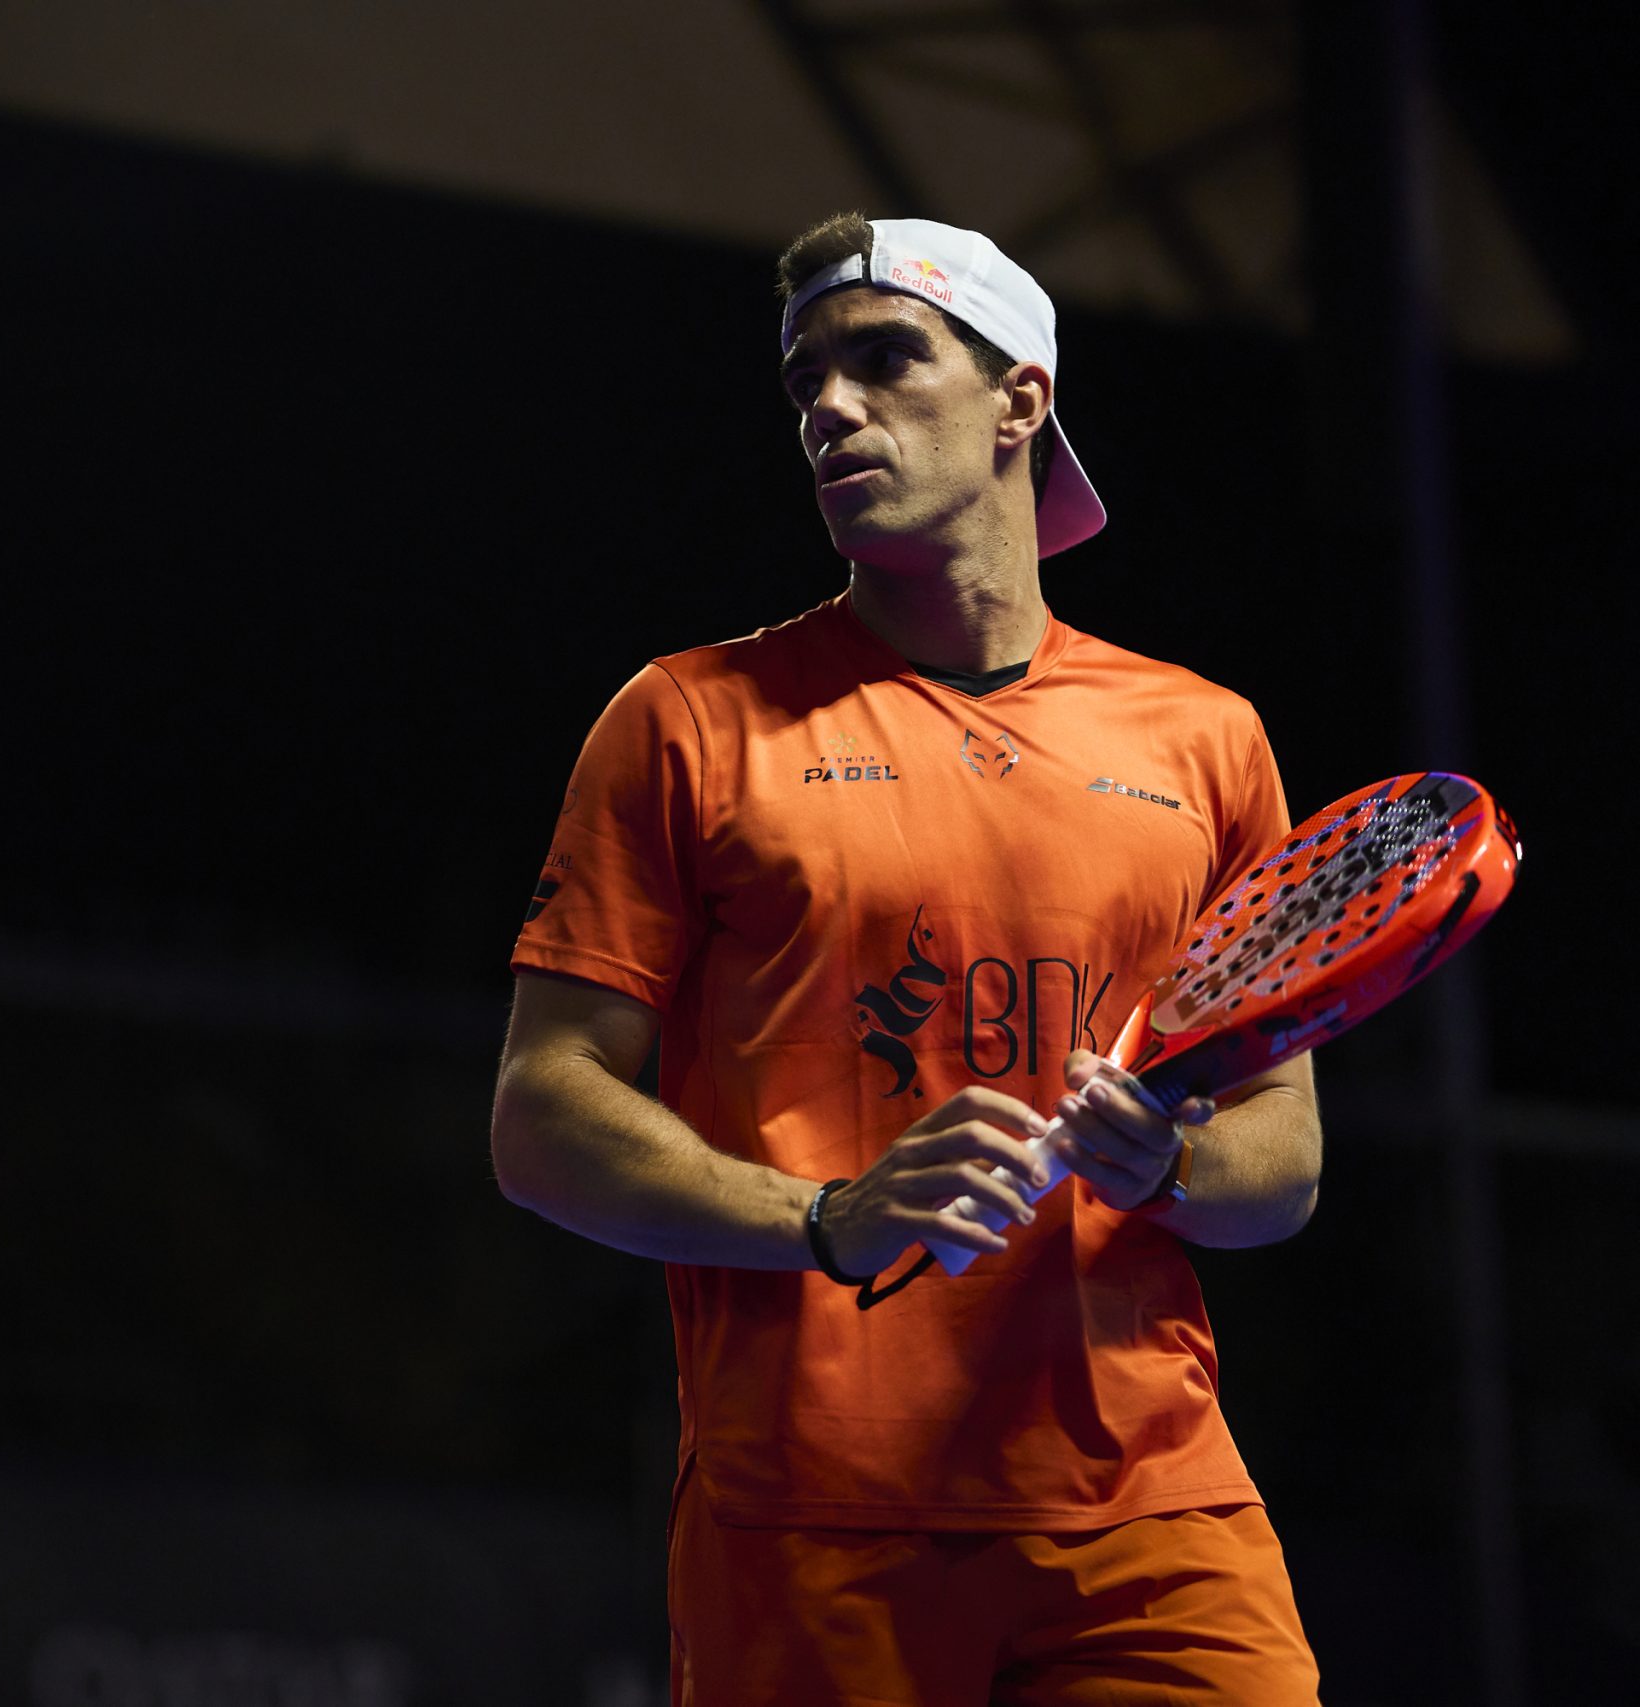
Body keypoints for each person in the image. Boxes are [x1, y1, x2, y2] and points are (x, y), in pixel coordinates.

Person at [490, 216, 1326, 1704]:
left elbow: (1286, 1161)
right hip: (811, 1513)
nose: (828, 406)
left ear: (1020, 400)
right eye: (807, 376)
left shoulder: (1208, 741)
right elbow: (540, 1115)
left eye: (884, 360)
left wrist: (1172, 1167)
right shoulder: (687, 719)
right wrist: (824, 1215)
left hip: (1152, 1501)